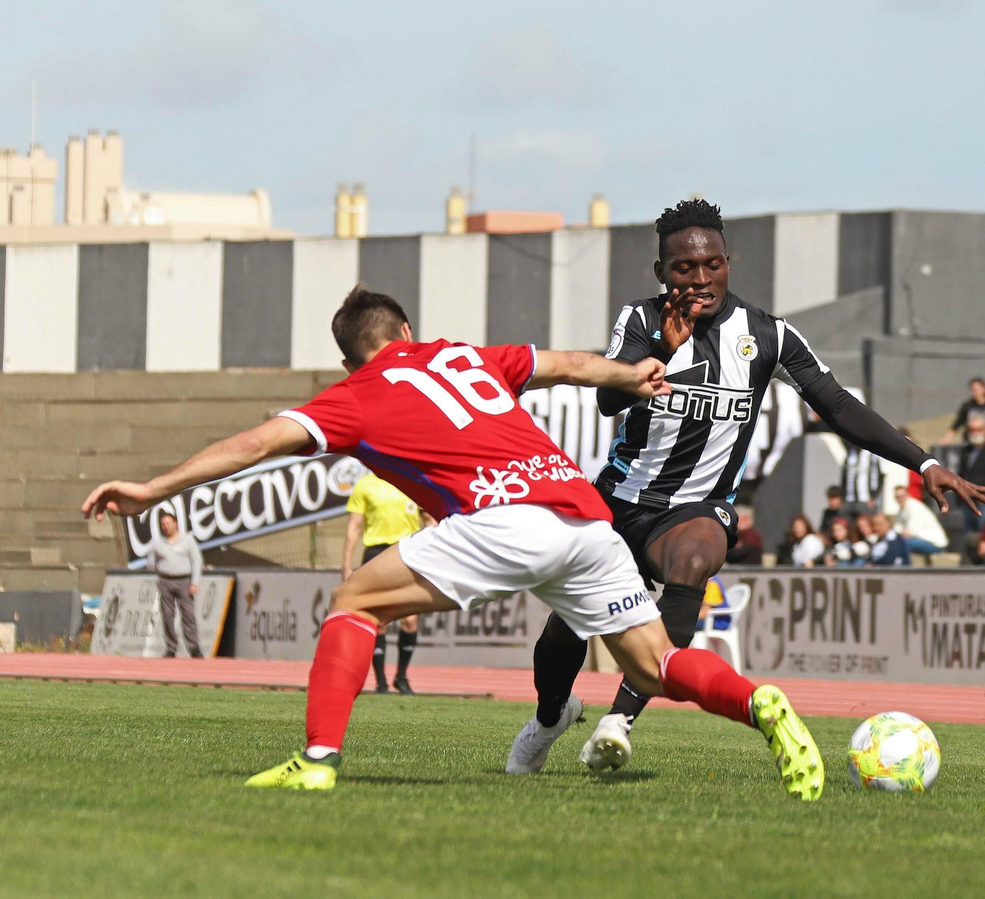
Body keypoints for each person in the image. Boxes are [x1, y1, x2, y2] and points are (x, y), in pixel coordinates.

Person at [82, 285, 828, 800]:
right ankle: (759, 701)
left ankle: (316, 760)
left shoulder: (354, 394)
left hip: (503, 519)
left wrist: (152, 489)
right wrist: (632, 376)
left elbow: (254, 443)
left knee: (353, 601)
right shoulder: (464, 355)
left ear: (350, 360)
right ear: (407, 332)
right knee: (655, 665)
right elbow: (569, 365)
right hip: (582, 514)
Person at [531, 201, 985, 773]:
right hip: (620, 502)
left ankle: (618, 721)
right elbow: (607, 400)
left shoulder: (768, 335)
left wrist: (924, 464)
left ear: (728, 263)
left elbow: (837, 406)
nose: (700, 279)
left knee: (694, 560)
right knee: (566, 629)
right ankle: (550, 718)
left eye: (713, 265)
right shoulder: (641, 320)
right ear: (662, 272)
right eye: (684, 268)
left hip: (697, 508)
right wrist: (664, 351)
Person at [342, 472, 428, 694]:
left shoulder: (412, 479)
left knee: (410, 620)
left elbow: (430, 520)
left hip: (407, 552)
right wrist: (346, 564)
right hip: (376, 554)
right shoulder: (365, 485)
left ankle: (401, 677)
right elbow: (354, 527)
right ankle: (381, 682)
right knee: (379, 621)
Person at [145, 511, 205, 658]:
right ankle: (171, 648)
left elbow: (197, 561)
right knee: (167, 615)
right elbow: (151, 564)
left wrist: (195, 582)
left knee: (188, 616)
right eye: (163, 524)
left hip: (184, 581)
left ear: (175, 524)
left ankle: (194, 648)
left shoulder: (187, 541)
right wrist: (163, 569)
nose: (165, 526)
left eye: (168, 523)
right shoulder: (157, 543)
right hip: (165, 581)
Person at [891, 484, 949, 558]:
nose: (900, 499)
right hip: (921, 540)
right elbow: (897, 528)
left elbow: (909, 533)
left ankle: (903, 565)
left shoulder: (914, 507)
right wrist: (902, 531)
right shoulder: (902, 509)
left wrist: (901, 531)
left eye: (902, 496)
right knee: (896, 543)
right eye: (897, 497)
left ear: (907, 495)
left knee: (903, 544)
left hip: (935, 544)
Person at [942, 378, 985, 444]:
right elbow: (956, 424)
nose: (975, 392)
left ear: (984, 389)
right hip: (970, 442)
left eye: (977, 390)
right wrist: (948, 438)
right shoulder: (967, 406)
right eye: (973, 390)